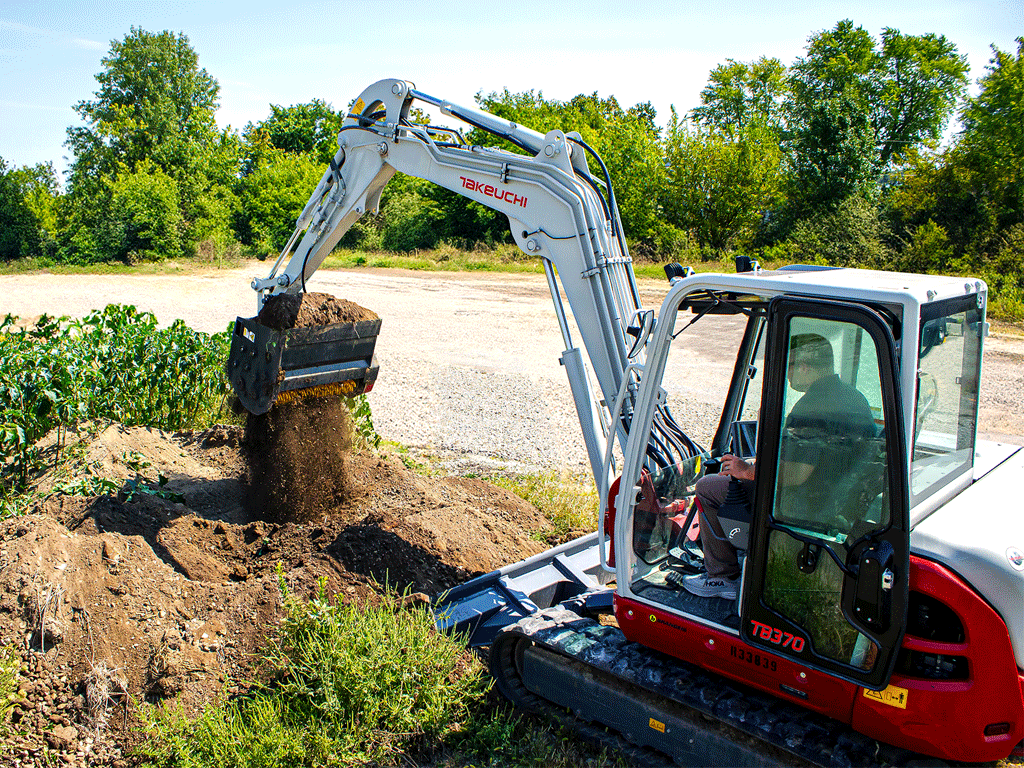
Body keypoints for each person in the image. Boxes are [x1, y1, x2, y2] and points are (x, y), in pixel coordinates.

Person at [680, 332, 876, 600]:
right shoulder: (852, 397)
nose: (788, 376)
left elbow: (796, 474)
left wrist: (746, 471)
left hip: (806, 505)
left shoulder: (812, 407)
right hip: (838, 497)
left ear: (805, 367)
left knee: (707, 487)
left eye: (790, 367)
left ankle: (721, 577)